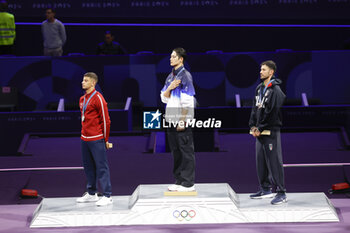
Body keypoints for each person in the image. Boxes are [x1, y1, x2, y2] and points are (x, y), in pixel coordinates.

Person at [249, 60, 287, 205]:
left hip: (270, 130)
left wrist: (261, 127)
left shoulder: (276, 90)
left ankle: (282, 192)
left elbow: (272, 112)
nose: (261, 72)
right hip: (259, 131)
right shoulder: (259, 88)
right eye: (260, 69)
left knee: (274, 161)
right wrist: (252, 126)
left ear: (271, 72)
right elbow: (254, 109)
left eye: (264, 70)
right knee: (261, 161)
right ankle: (265, 189)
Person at [160, 47, 196, 192]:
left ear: (181, 59)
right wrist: (170, 87)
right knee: (176, 151)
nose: (171, 58)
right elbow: (163, 97)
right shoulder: (170, 77)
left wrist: (183, 120)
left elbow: (188, 101)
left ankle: (188, 183)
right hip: (171, 118)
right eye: (170, 56)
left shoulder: (185, 76)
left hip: (181, 119)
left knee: (186, 150)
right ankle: (179, 180)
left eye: (174, 56)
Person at [76, 72, 113, 206]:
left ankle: (107, 195)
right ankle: (92, 193)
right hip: (84, 138)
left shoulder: (99, 98)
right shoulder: (82, 99)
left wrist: (106, 139)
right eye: (82, 80)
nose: (82, 82)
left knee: (101, 167)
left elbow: (106, 120)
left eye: (85, 81)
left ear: (93, 83)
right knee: (88, 167)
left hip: (97, 138)